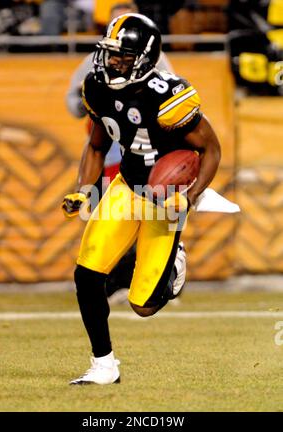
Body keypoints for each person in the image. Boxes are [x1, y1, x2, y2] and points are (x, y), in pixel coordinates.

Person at [62, 13, 221, 385]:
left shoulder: (168, 95)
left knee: (143, 306)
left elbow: (211, 149)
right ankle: (104, 365)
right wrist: (83, 190)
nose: (113, 61)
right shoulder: (97, 87)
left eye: (124, 55)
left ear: (146, 57)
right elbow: (96, 144)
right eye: (111, 53)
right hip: (125, 186)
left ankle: (174, 260)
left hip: (163, 198)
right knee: (87, 275)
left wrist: (192, 197)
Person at [65, 2, 175, 304]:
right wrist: (82, 99)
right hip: (111, 152)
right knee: (106, 218)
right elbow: (73, 104)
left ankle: (156, 276)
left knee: (149, 217)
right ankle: (114, 280)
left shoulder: (158, 65)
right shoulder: (93, 62)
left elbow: (172, 107)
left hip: (145, 152)